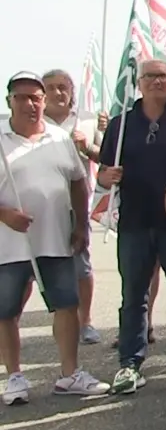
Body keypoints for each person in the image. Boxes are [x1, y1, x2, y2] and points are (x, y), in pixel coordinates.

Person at [98, 59, 166, 396]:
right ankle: (129, 364)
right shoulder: (121, 124)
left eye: (163, 76)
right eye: (150, 76)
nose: (156, 82)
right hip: (134, 222)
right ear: (140, 83)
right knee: (133, 295)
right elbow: (102, 173)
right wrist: (106, 177)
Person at [0, 72, 110, 404]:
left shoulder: (60, 138)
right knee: (5, 311)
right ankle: (15, 376)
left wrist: (80, 225)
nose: (30, 104)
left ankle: (69, 373)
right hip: (9, 245)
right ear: (10, 102)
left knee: (66, 305)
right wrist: (5, 214)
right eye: (22, 97)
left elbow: (79, 181)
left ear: (44, 101)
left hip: (56, 240)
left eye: (36, 98)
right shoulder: (1, 139)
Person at [41, 69, 107, 346]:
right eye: (51, 88)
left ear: (71, 92)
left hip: (74, 204)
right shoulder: (34, 122)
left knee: (81, 266)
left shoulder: (88, 121)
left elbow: (107, 158)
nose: (57, 93)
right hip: (40, 207)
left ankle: (85, 321)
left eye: (62, 87)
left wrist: (88, 143)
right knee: (29, 270)